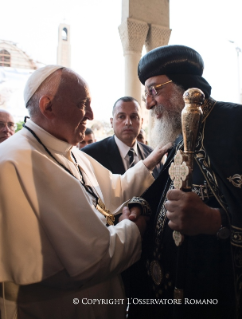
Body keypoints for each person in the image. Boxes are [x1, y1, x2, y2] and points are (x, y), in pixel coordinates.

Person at [0, 65, 170, 319]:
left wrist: (150, 161)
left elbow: (114, 189)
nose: (91, 114)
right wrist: (135, 228)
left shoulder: (68, 151)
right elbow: (90, 261)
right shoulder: (15, 162)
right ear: (48, 106)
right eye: (83, 104)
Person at [128, 45, 242, 319]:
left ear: (185, 84)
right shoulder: (180, 135)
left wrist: (217, 221)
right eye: (146, 93)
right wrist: (141, 208)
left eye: (154, 90)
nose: (148, 103)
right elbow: (161, 191)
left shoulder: (235, 121)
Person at [82, 96, 160, 178]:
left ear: (141, 122)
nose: (128, 122)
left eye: (134, 117)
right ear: (111, 122)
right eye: (121, 117)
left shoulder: (152, 155)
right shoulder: (90, 155)